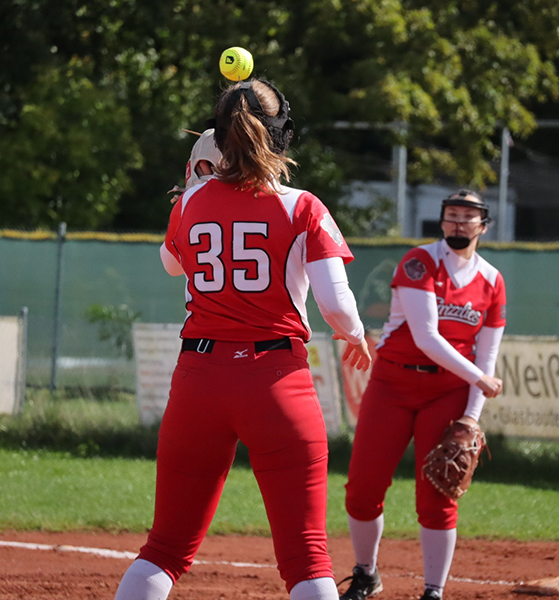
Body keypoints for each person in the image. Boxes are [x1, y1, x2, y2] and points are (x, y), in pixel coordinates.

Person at [114, 78, 373, 600]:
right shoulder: (303, 206)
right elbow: (336, 304)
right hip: (276, 382)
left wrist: (192, 189)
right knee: (307, 557)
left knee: (164, 549)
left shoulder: (189, 203)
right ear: (282, 134)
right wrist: (356, 335)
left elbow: (171, 264)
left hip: (199, 380)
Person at [337, 189, 506, 600]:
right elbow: (426, 336)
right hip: (393, 384)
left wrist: (471, 415)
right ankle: (366, 573)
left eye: (468, 216)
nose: (458, 222)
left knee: (437, 496)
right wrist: (480, 379)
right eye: (452, 214)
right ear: (442, 221)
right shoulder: (420, 262)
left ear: (483, 226)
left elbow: (487, 354)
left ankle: (433, 591)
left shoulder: (492, 281)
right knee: (363, 488)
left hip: (447, 392)